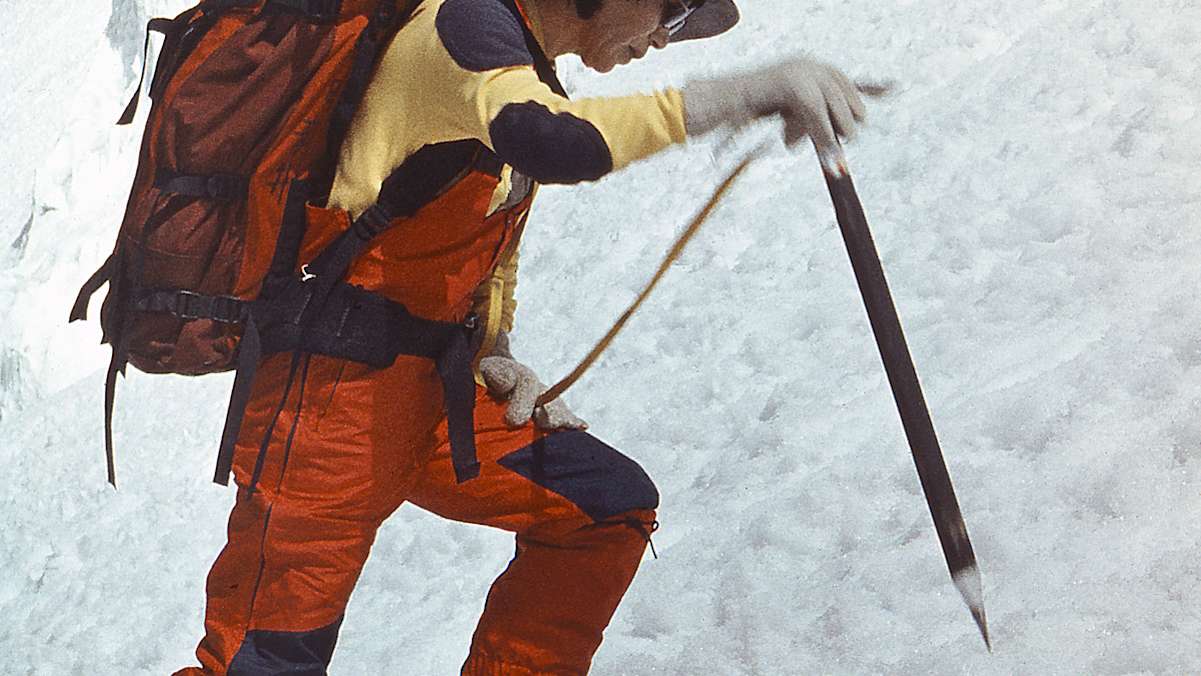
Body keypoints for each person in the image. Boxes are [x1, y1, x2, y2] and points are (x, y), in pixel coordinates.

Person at [174, 0, 869, 673]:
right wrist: (740, 94)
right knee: (263, 662)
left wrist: (494, 349)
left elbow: (484, 229)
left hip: (429, 393)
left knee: (604, 507)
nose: (664, 39)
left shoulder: (519, 64)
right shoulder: (465, 26)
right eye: (673, 12)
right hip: (327, 410)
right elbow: (556, 141)